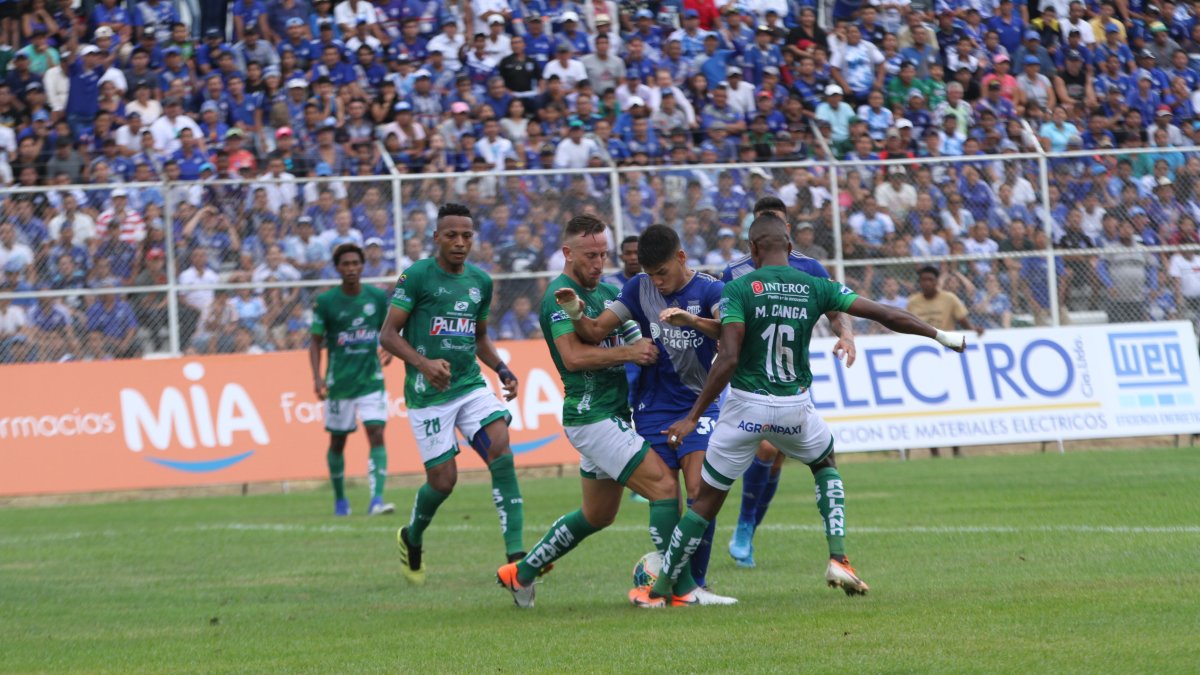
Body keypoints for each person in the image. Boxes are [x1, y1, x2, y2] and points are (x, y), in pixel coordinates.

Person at [629, 214, 968, 608]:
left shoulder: (738, 288)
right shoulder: (815, 285)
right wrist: (938, 335)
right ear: (790, 248)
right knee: (824, 462)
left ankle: (659, 591)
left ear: (753, 250)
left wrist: (693, 416)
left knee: (703, 501)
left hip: (745, 408)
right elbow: (884, 313)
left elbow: (729, 356)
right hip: (794, 408)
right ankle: (838, 557)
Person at [495, 214, 709, 609]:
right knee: (664, 488)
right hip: (591, 416)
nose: (598, 263)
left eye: (603, 255)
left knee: (597, 514)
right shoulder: (558, 296)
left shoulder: (609, 291)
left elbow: (632, 337)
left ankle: (520, 574)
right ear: (568, 253)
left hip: (614, 414)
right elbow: (573, 357)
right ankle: (681, 589)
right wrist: (628, 352)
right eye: (590, 256)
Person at [556, 224, 736, 603]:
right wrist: (574, 311)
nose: (658, 282)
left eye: (663, 273)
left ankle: (695, 583)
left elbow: (729, 334)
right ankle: (681, 588)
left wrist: (692, 321)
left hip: (698, 405)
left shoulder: (711, 289)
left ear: (681, 258)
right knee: (665, 495)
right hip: (652, 409)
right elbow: (594, 331)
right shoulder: (639, 288)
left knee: (700, 491)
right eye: (651, 274)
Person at [381, 204, 525, 585]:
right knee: (443, 481)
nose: (460, 242)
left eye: (466, 235)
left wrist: (502, 369)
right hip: (427, 395)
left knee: (500, 446)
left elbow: (479, 337)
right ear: (437, 238)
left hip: (469, 384)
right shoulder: (416, 277)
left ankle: (517, 558)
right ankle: (411, 536)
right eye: (451, 235)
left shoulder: (480, 281)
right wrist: (424, 364)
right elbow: (388, 335)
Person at [722, 196, 857, 569]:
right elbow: (721, 321)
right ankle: (744, 526)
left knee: (775, 455)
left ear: (787, 229)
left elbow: (837, 310)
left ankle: (748, 528)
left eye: (776, 221)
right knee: (766, 448)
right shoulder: (733, 273)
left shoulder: (809, 268)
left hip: (792, 376)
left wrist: (846, 334)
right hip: (749, 378)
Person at [308, 243, 395, 517]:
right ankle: (340, 501)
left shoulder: (376, 297)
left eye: (355, 263)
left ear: (362, 266)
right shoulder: (326, 302)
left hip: (371, 379)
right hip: (340, 384)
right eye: (345, 264)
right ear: (337, 268)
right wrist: (317, 377)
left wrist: (390, 349)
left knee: (377, 433)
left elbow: (388, 330)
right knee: (338, 442)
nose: (351, 268)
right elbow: (315, 342)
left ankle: (376, 500)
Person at [906, 266, 984, 458]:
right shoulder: (913, 302)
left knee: (950, 405)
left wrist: (973, 330)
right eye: (923, 280)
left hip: (946, 357)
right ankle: (934, 451)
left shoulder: (949, 299)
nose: (927, 283)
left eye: (930, 280)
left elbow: (963, 321)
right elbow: (906, 325)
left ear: (937, 281)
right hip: (922, 358)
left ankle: (955, 448)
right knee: (928, 407)